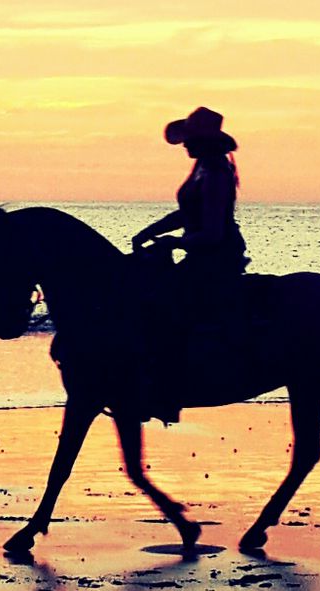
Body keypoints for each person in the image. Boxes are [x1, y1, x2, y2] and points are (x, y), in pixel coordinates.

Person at [129, 106, 250, 422]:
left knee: (165, 307)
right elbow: (187, 214)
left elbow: (211, 232)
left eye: (190, 139)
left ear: (204, 141)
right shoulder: (202, 167)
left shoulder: (216, 174)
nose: (185, 144)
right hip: (202, 253)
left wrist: (174, 242)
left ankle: (168, 390)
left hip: (216, 256)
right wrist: (151, 231)